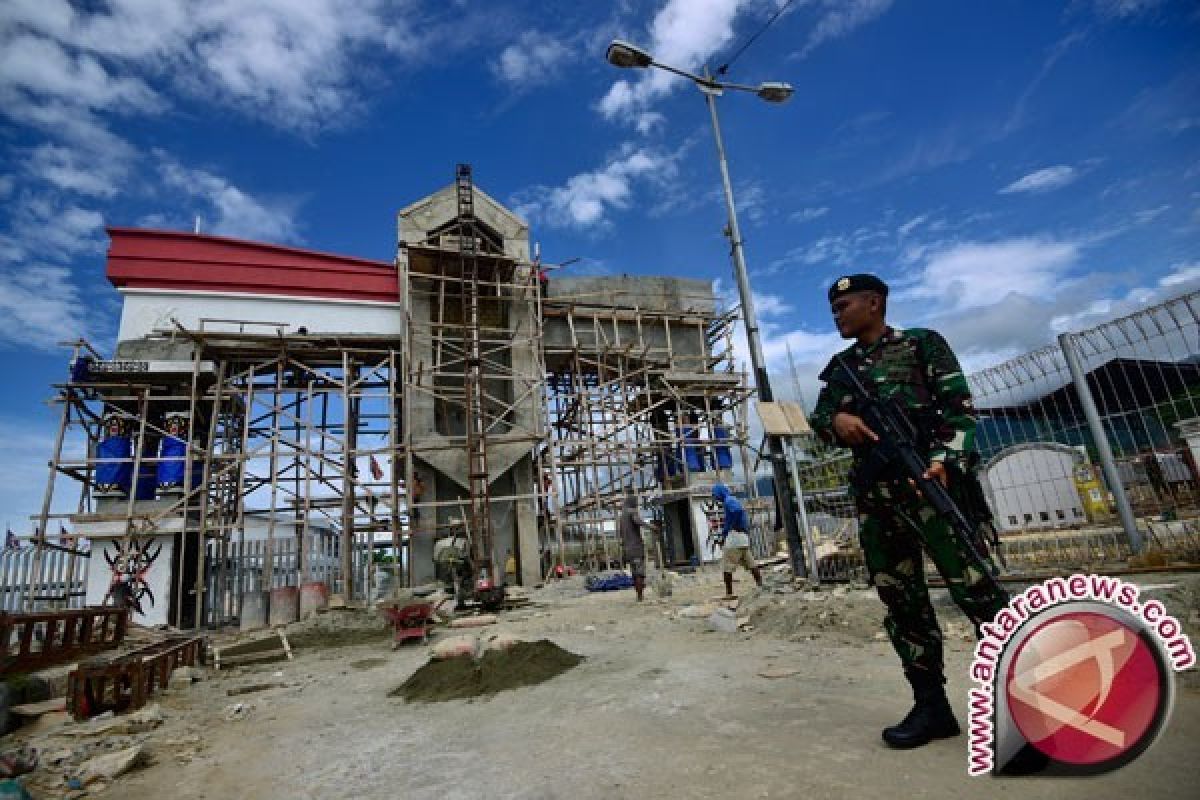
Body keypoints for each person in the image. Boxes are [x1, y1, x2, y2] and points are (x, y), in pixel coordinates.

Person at [810, 273, 1008, 749]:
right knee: (903, 605)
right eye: (833, 308)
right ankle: (931, 707)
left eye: (845, 306)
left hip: (933, 490)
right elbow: (819, 421)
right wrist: (837, 420)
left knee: (980, 594)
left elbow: (960, 410)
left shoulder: (921, 345)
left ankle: (1021, 704)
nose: (837, 315)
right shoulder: (841, 369)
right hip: (880, 505)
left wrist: (944, 461)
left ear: (874, 304)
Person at [710, 484, 763, 598]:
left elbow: (736, 512)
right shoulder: (733, 500)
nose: (715, 497)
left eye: (715, 495)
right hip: (743, 538)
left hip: (735, 537)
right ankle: (761, 586)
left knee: (727, 566)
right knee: (751, 564)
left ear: (720, 493)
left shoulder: (728, 501)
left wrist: (728, 527)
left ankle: (729, 593)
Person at [617, 493, 648, 601]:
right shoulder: (632, 512)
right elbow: (637, 521)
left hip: (627, 550)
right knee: (639, 573)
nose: (637, 504)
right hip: (636, 548)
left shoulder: (622, 516)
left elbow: (621, 534)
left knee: (635, 574)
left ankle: (639, 595)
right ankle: (640, 596)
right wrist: (651, 527)